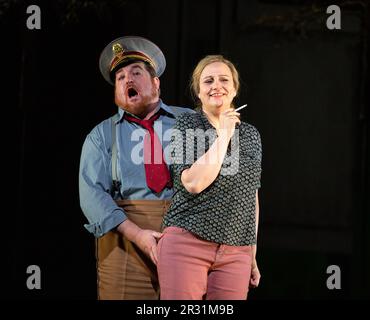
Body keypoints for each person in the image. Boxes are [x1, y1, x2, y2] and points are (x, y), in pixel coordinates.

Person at [79, 36, 193, 300]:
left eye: (135, 72)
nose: (127, 79)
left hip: (188, 242)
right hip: (125, 245)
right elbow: (91, 195)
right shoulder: (101, 135)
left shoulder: (189, 122)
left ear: (156, 83)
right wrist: (137, 234)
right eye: (120, 78)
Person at [157, 55, 262, 300]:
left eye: (224, 79)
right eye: (208, 81)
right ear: (199, 92)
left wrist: (252, 253)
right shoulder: (187, 125)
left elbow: (251, 198)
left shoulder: (251, 135)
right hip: (187, 242)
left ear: (234, 89)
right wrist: (224, 135)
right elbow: (193, 183)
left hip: (236, 251)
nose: (217, 85)